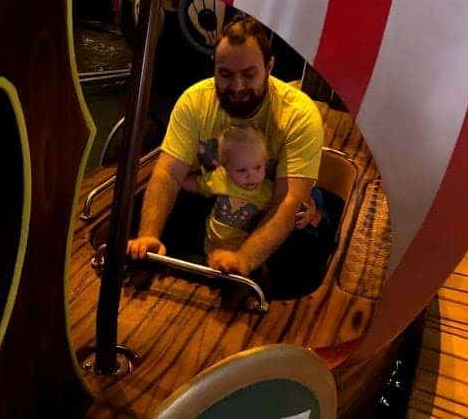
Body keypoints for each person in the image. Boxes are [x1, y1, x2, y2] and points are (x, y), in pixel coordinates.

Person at [127, 17, 324, 277]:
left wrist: (243, 259)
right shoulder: (194, 102)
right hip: (215, 205)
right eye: (226, 74)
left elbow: (287, 201)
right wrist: (148, 237)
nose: (237, 86)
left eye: (249, 74)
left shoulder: (298, 114)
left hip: (271, 215)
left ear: (269, 67)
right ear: (215, 68)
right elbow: (168, 173)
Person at [180, 125, 274, 261]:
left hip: (244, 256)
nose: (252, 175)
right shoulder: (220, 178)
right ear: (225, 168)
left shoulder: (268, 191)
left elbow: (287, 209)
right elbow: (197, 184)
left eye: (258, 167)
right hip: (211, 249)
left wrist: (312, 211)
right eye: (242, 170)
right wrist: (176, 178)